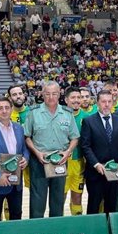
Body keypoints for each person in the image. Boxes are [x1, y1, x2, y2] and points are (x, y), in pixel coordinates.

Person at [23, 81, 79, 218]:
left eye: (54, 93)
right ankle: (37, 230)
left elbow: (75, 137)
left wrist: (67, 152)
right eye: (47, 94)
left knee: (58, 200)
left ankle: (56, 229)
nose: (51, 97)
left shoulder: (67, 113)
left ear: (59, 94)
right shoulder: (33, 113)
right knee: (37, 201)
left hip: (60, 161)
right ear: (42, 94)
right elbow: (27, 137)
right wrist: (36, 152)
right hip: (39, 161)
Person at [80, 90, 118, 214]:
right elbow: (85, 146)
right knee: (94, 206)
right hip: (96, 173)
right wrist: (96, 164)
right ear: (97, 103)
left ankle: (110, 231)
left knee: (112, 206)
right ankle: (92, 231)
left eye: (109, 101)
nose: (107, 104)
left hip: (115, 171)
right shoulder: (88, 121)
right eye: (103, 101)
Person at [64, 87, 86, 216]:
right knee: (60, 197)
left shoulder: (87, 117)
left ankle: (77, 224)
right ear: (66, 99)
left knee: (77, 197)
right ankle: (58, 224)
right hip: (62, 163)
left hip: (79, 163)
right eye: (73, 98)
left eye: (79, 97)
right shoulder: (58, 115)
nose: (77, 100)